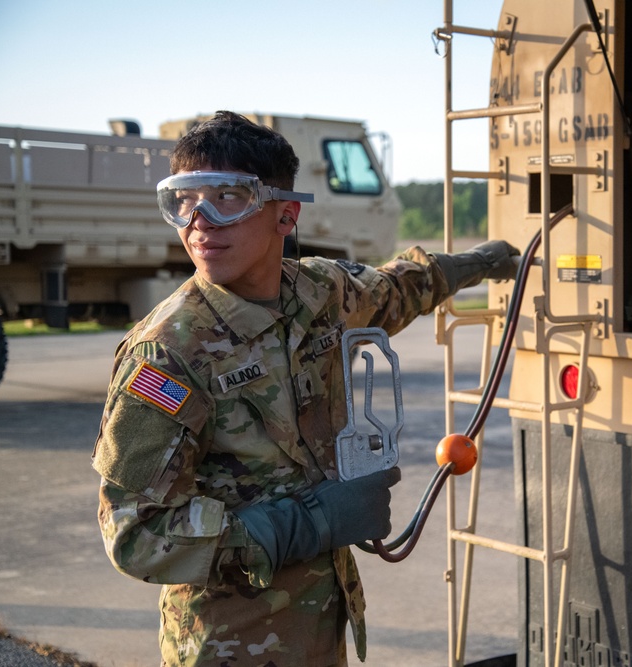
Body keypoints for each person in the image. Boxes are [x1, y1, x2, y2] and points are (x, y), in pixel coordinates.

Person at [92, 110, 518, 666]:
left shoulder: (317, 292)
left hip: (320, 625)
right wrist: (311, 522)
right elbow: (134, 533)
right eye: (183, 201)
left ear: (284, 215)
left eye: (228, 198)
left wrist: (479, 263)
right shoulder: (168, 355)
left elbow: (396, 288)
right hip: (231, 644)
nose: (200, 221)